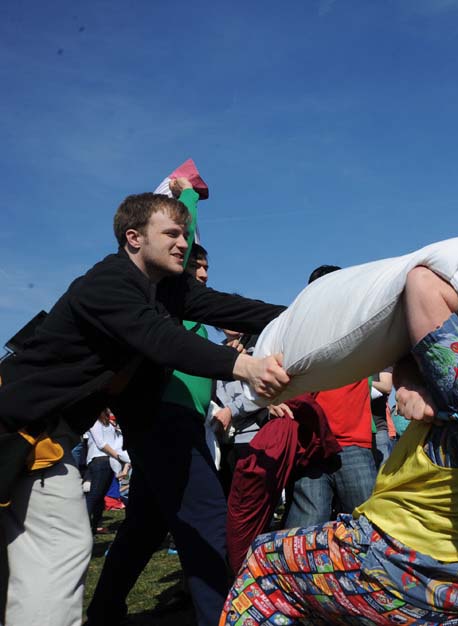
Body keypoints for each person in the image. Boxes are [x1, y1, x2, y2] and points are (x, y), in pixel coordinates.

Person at [0, 181, 289, 626]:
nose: (183, 243)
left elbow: (236, 309)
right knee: (59, 547)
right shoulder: (107, 282)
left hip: (44, 440)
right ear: (133, 238)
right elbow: (161, 340)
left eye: (185, 234)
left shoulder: (170, 290)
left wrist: (308, 312)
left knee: (52, 551)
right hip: (17, 429)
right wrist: (245, 367)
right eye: (172, 233)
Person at [221, 266, 458, 625]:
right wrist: (409, 381)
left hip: (400, 567)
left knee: (264, 563)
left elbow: (423, 284)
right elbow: (416, 351)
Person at [88, 240, 259, 626]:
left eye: (206, 269)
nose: (203, 274)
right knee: (210, 520)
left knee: (142, 530)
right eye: (195, 266)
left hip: (182, 422)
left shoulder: (197, 321)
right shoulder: (163, 310)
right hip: (165, 420)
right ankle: (220, 618)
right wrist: (186, 196)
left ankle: (104, 611)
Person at [283, 266, 378, 529]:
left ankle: (369, 572)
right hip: (310, 445)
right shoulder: (297, 333)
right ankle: (300, 570)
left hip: (352, 444)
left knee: (365, 527)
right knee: (304, 528)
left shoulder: (361, 324)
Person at [84, 408, 130, 533]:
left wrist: (123, 462)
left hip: (110, 461)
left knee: (100, 497)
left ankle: (94, 526)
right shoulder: (94, 421)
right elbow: (101, 443)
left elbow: (117, 444)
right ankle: (83, 527)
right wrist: (119, 457)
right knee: (94, 495)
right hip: (99, 460)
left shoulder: (109, 423)